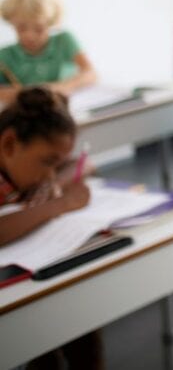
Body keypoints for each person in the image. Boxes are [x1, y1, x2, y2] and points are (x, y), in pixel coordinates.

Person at [0, 87, 101, 369]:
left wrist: (55, 182)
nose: (48, 174)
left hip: (35, 267)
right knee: (40, 337)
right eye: (46, 162)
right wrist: (60, 204)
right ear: (8, 144)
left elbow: (84, 164)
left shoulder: (31, 158)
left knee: (81, 321)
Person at [0, 0, 97, 105]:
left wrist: (62, 87)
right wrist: (23, 94)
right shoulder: (4, 55)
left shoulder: (64, 41)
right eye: (21, 28)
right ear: (11, 22)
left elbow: (91, 74)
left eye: (39, 28)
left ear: (51, 22)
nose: (30, 36)